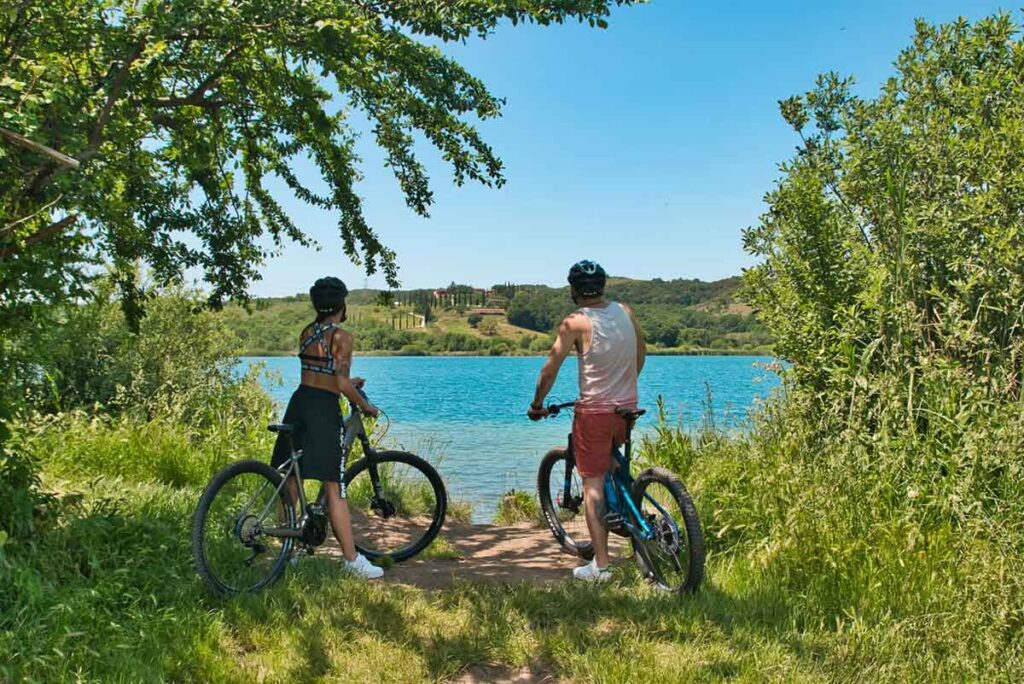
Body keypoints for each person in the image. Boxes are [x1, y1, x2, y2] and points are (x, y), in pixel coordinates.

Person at [527, 260, 646, 582]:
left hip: (595, 412)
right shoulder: (625, 311)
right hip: (627, 407)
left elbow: (550, 368)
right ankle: (633, 513)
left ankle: (602, 567)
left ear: (573, 290)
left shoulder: (575, 322)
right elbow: (641, 353)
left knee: (592, 484)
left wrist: (537, 404)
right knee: (611, 462)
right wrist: (625, 385)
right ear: (603, 287)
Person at [270, 276, 384, 579]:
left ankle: (287, 551)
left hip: (300, 402)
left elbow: (323, 374)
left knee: (292, 479)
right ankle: (352, 561)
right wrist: (366, 405)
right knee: (334, 485)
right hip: (322, 410)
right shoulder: (342, 337)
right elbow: (341, 383)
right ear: (342, 304)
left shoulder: (306, 333)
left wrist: (348, 384)